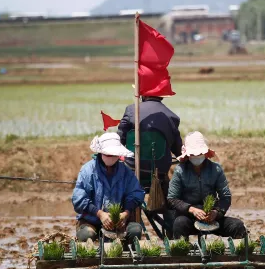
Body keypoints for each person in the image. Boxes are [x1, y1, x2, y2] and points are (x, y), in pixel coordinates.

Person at [117, 95, 183, 237]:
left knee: (121, 195)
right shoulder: (172, 116)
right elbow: (178, 149)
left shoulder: (131, 110)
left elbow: (120, 140)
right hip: (159, 174)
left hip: (133, 172)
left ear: (143, 94)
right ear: (161, 95)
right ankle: (172, 231)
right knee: (171, 198)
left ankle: (127, 223)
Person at [167, 131, 246, 240]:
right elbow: (172, 199)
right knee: (179, 223)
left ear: (205, 153)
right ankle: (183, 255)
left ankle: (241, 255)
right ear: (188, 155)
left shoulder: (216, 169)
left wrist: (216, 212)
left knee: (237, 225)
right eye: (193, 155)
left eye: (199, 154)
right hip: (188, 218)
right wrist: (192, 210)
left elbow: (225, 197)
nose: (196, 157)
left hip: (211, 218)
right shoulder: (180, 171)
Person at [71, 133, 145, 244]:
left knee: (135, 230)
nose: (110, 156)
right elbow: (78, 200)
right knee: (87, 235)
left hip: (119, 222)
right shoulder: (88, 171)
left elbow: (136, 194)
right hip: (91, 221)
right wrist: (100, 214)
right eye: (108, 154)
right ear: (100, 153)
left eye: (113, 154)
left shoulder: (126, 172)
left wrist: (125, 214)